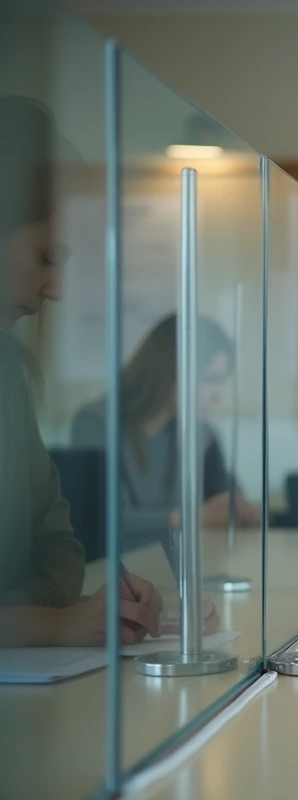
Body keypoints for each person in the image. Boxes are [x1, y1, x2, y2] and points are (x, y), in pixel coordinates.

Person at [0, 95, 161, 647]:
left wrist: (89, 609)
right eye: (46, 257)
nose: (58, 289)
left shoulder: (9, 380)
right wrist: (46, 621)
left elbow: (60, 546)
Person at [72, 314, 260, 548]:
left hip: (180, 572)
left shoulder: (202, 434)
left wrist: (242, 510)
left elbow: (225, 498)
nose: (218, 394)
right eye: (211, 379)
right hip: (119, 575)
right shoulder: (95, 424)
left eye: (222, 381)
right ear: (173, 370)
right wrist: (193, 517)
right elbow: (104, 518)